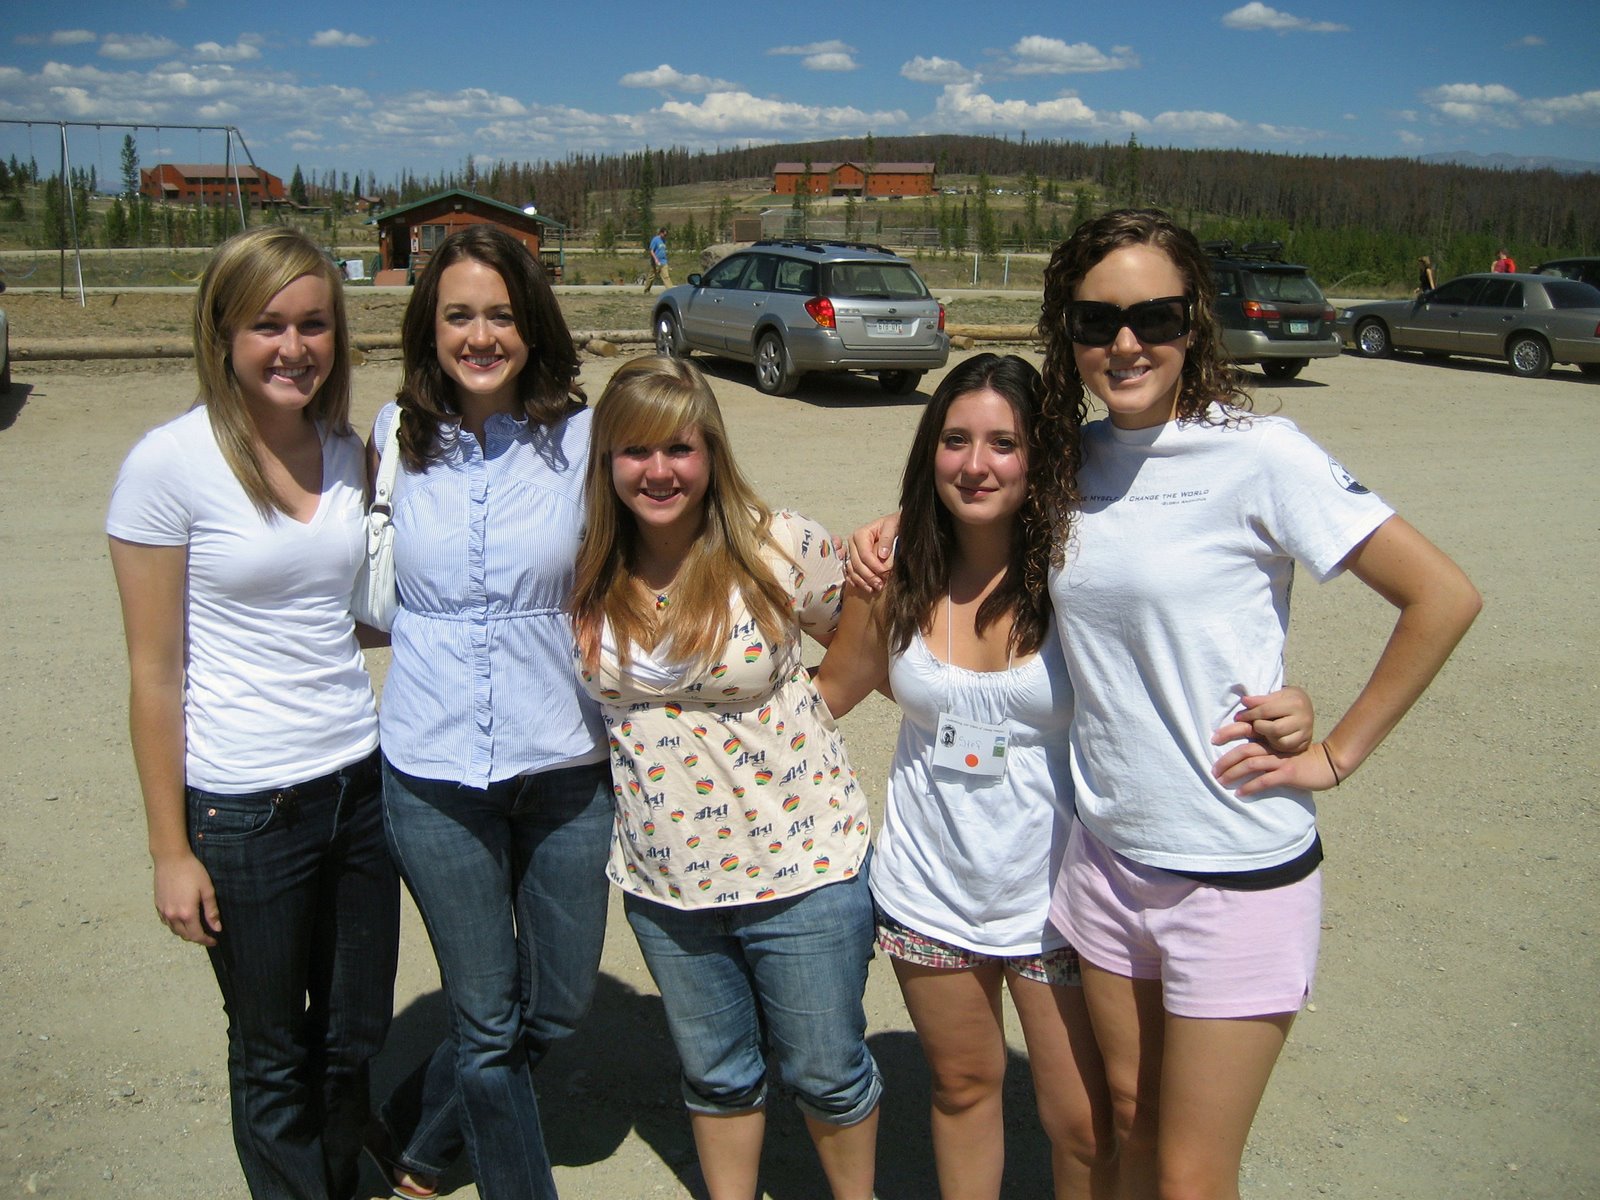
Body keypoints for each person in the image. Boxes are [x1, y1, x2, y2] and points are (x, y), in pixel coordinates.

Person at [852, 209, 1481, 1200]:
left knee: (1189, 1175)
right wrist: (899, 524)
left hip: (1232, 866)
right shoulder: (1069, 462)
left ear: (1197, 322)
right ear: (1066, 334)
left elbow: (1441, 596)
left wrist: (1334, 750)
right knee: (1128, 1126)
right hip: (1106, 866)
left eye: (1154, 316)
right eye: (1094, 321)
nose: (1125, 342)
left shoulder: (1260, 454)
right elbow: (979, 487)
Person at [820, 354, 1314, 1200]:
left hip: (1061, 896)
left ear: (1040, 456)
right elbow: (829, 691)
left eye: (1004, 443)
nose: (975, 464)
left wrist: (1291, 708)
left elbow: (1182, 663)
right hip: (926, 884)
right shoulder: (896, 569)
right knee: (961, 1087)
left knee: (1086, 1122)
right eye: (955, 440)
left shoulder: (1080, 572)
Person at [107, 226, 399, 1200]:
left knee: (355, 1034)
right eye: (268, 324)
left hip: (359, 786)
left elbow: (345, 611)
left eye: (314, 324)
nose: (293, 347)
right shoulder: (169, 465)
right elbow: (155, 674)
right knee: (274, 1052)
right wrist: (170, 850)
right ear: (222, 332)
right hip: (244, 809)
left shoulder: (348, 453)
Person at [570, 356, 880, 1200]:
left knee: (827, 1073)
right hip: (667, 884)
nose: (659, 471)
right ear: (606, 461)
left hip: (802, 867)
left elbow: (862, 643)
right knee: (717, 1076)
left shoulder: (777, 544)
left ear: (711, 451)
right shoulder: (586, 567)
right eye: (635, 450)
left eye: (680, 447)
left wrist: (809, 713)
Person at [366, 225, 613, 1200]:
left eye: (500, 315)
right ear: (429, 329)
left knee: (557, 1002)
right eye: (458, 315)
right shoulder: (394, 436)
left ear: (533, 325)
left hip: (564, 765)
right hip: (432, 773)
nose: (479, 336)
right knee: (486, 1020)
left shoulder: (585, 440)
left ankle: (416, 1139)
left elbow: (694, 507)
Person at [644, 226, 671, 293]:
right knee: (651, 276)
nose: (665, 236)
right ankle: (646, 290)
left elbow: (663, 251)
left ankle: (670, 291)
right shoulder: (655, 240)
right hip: (655, 262)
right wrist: (655, 259)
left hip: (663, 262)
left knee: (666, 277)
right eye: (664, 234)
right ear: (661, 233)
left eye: (666, 235)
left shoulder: (664, 240)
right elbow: (651, 251)